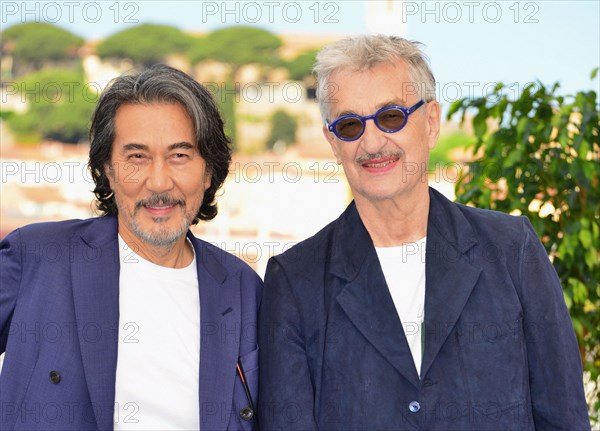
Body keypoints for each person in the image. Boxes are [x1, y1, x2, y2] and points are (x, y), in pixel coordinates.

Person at [258, 35, 590, 430]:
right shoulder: (295, 281)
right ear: (333, 141)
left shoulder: (511, 250)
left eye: (391, 116)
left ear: (431, 123)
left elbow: (563, 417)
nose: (373, 142)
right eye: (349, 125)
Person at [0, 64, 261, 431]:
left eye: (179, 156)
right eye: (137, 157)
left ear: (208, 172)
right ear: (107, 168)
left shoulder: (244, 289)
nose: (158, 181)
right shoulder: (39, 257)